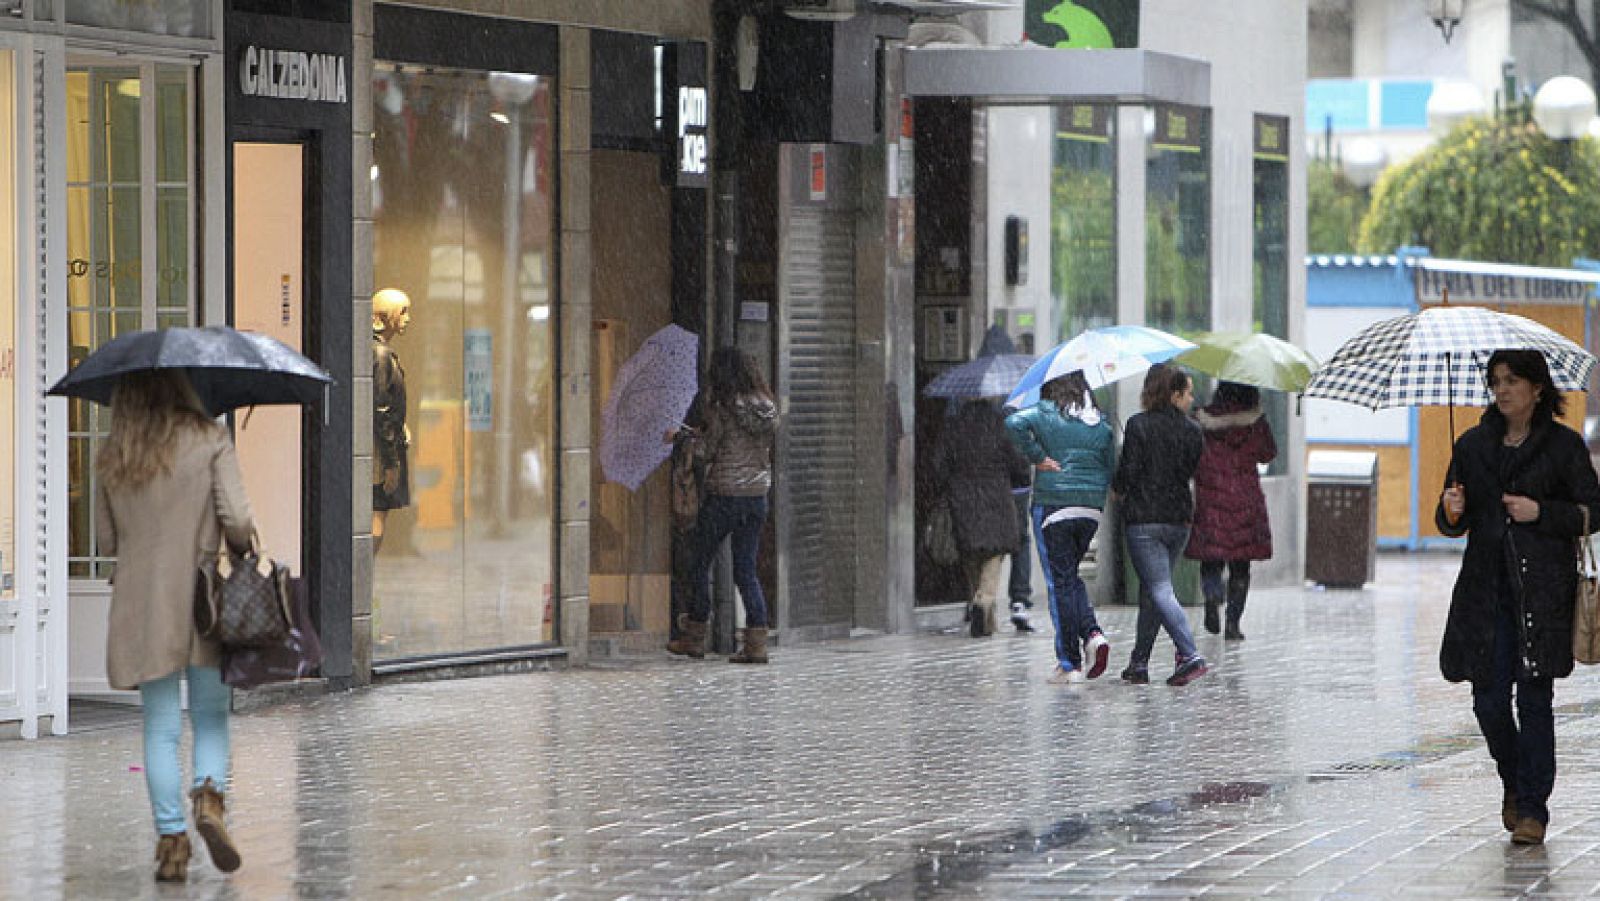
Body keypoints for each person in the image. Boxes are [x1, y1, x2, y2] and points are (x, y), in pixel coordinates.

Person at [93, 370, 255, 881]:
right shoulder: (211, 439)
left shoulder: (114, 453)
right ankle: (209, 799)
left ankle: (171, 845)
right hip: (203, 599)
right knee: (210, 716)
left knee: (160, 727)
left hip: (142, 605)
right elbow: (239, 521)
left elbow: (104, 542)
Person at [1436, 349, 1600, 846]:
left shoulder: (1564, 448)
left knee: (1534, 700)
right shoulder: (1471, 445)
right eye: (1495, 381)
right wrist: (1451, 509)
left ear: (1536, 388)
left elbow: (1593, 511)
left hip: (1543, 594)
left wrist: (1541, 513)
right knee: (1487, 702)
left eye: (1512, 380)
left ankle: (1532, 808)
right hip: (1486, 597)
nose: (1502, 390)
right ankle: (1513, 778)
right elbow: (1449, 521)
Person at [666, 348, 779, 663]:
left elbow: (707, 452)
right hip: (757, 497)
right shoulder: (766, 409)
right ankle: (756, 644)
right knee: (746, 570)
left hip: (725, 495)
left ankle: (695, 636)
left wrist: (683, 439)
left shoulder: (722, 409)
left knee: (700, 562)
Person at [1006, 372, 1116, 683]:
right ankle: (1092, 634)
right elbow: (1110, 465)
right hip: (1090, 509)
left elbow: (1013, 423)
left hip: (1054, 505)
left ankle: (1069, 663)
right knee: (1069, 576)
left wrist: (1037, 457)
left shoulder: (1046, 411)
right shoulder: (1099, 421)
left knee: (1059, 582)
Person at [1114, 363, 1208, 687]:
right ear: (1173, 394)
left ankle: (1190, 654)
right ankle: (1138, 663)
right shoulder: (1194, 431)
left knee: (1159, 588)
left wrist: (1118, 488)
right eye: (1188, 393)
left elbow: (1128, 473)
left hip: (1144, 520)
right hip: (1178, 519)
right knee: (1152, 590)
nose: (1191, 399)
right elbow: (1191, 470)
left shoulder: (1138, 426)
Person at [1185, 381, 1277, 640]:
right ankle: (1233, 624)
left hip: (1211, 496)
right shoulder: (1255, 422)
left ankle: (1213, 595)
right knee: (1240, 564)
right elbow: (1268, 454)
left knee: (1211, 557)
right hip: (1245, 499)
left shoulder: (1202, 420)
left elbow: (1190, 453)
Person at [932, 399, 1032, 637]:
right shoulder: (1003, 427)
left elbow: (939, 466)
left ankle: (985, 619)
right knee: (992, 558)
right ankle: (983, 602)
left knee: (971, 558)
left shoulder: (954, 428)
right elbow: (1020, 468)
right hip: (996, 503)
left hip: (963, 503)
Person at [371, 287, 412, 555]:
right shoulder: (381, 355)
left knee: (377, 515)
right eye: (403, 312)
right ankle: (364, 580)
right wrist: (391, 462)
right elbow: (381, 407)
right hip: (381, 451)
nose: (408, 319)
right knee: (377, 516)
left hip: (383, 446)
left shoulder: (380, 352)